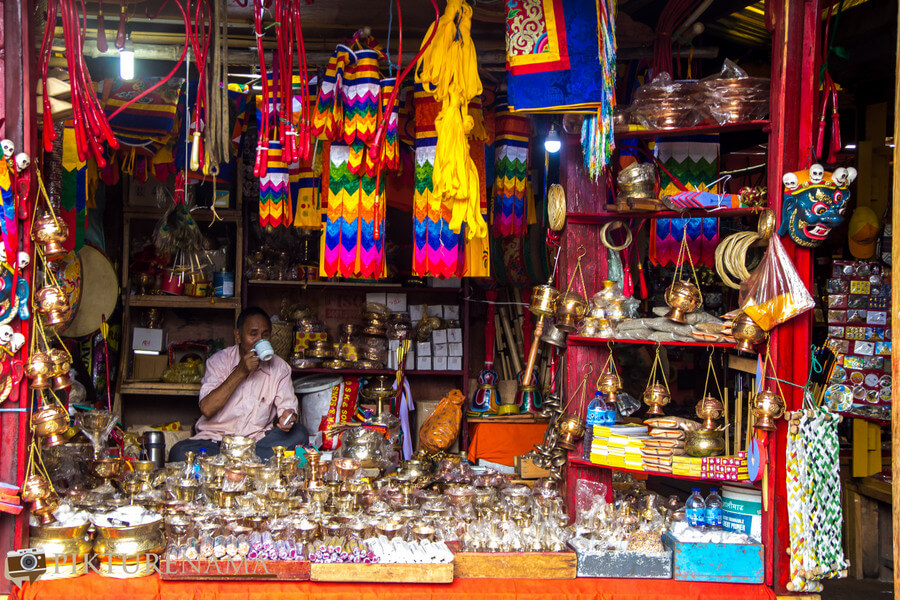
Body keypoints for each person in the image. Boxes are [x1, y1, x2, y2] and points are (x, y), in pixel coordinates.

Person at [167, 307, 308, 462]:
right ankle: (248, 463)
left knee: (299, 434)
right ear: (238, 336)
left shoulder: (279, 367)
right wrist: (240, 372)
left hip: (257, 443)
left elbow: (287, 408)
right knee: (179, 452)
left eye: (265, 335)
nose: (260, 340)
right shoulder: (218, 361)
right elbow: (207, 408)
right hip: (216, 442)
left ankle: (230, 464)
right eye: (253, 334)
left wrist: (288, 417)